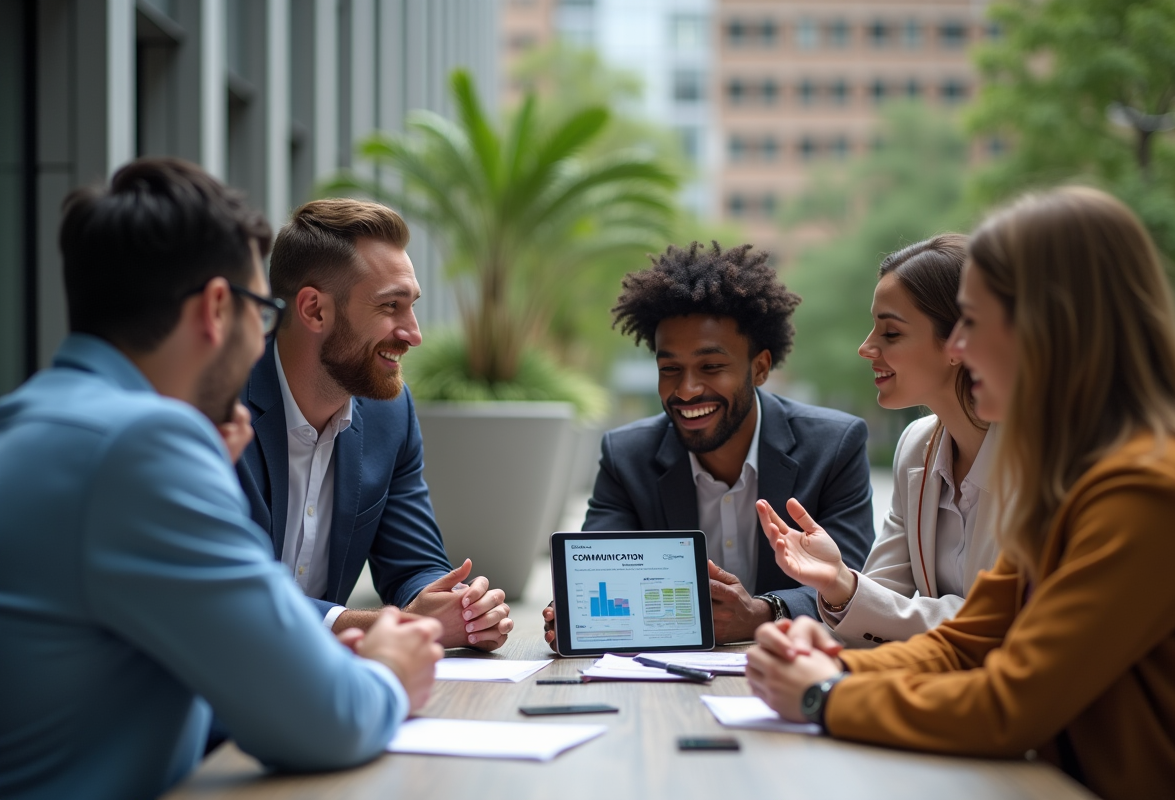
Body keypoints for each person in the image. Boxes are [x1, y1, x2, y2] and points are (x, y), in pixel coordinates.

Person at [0, 159, 444, 800]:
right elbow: (320, 717)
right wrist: (388, 671)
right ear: (216, 309)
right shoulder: (141, 446)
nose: (262, 339)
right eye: (260, 311)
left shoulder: (33, 421)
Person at [746, 187, 1175, 800]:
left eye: (974, 323)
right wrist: (833, 666)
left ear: (1051, 327)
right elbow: (968, 642)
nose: (958, 348)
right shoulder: (1074, 476)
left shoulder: (1148, 487)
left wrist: (824, 694)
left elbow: (1012, 703)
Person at [544, 241, 874, 646]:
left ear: (760, 367)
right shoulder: (626, 456)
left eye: (711, 366)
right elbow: (599, 576)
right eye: (670, 369)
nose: (686, 390)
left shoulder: (834, 446)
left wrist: (763, 613)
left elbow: (852, 582)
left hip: (791, 663)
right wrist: (575, 614)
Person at [237, 199, 513, 650]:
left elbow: (413, 564)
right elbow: (232, 590)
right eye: (390, 306)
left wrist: (460, 607)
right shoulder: (220, 409)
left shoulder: (390, 413)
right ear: (314, 310)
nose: (413, 333)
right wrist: (393, 625)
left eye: (412, 306)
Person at [755, 235, 999, 647]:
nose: (866, 347)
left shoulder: (1043, 459)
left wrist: (849, 589)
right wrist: (837, 582)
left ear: (959, 343)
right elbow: (879, 610)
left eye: (891, 333)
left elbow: (1004, 620)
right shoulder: (916, 447)